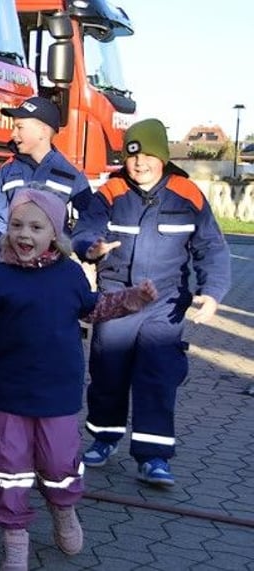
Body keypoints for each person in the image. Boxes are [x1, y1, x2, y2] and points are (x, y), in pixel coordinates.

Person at [0, 185, 158, 571]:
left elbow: (93, 308)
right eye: (17, 225)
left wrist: (132, 299)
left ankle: (63, 510)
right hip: (8, 392)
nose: (24, 235)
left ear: (54, 234)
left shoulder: (68, 274)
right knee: (10, 468)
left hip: (57, 392)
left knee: (58, 461)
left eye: (36, 227)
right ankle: (15, 539)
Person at [72, 118, 232, 487]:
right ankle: (104, 438)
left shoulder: (187, 193)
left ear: (162, 155)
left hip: (166, 304)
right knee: (108, 373)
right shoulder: (110, 192)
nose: (139, 163)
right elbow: (85, 229)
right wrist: (90, 248)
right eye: (132, 156)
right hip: (116, 302)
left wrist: (213, 292)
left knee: (157, 376)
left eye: (147, 155)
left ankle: (154, 456)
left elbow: (210, 246)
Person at [0, 96, 90, 234]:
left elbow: (90, 220)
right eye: (13, 127)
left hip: (55, 255)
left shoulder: (71, 174)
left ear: (43, 131)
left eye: (19, 127)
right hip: (13, 253)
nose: (13, 134)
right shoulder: (6, 172)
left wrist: (77, 244)